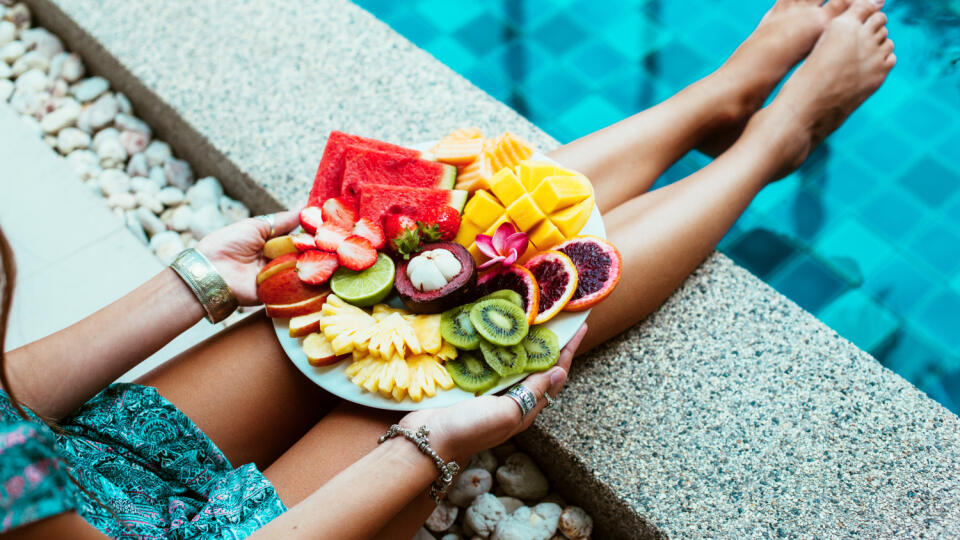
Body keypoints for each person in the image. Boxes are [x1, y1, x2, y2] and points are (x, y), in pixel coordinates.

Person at [0, 0, 895, 538]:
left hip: (80, 480)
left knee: (416, 274)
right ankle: (772, 143)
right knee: (480, 348)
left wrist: (195, 282)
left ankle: (714, 102)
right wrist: (429, 447)